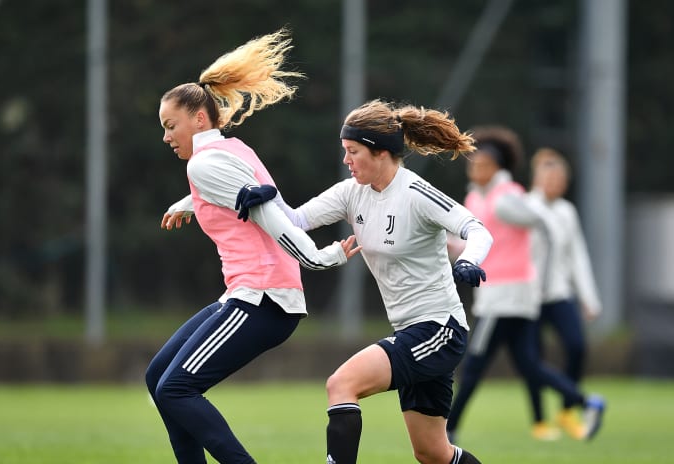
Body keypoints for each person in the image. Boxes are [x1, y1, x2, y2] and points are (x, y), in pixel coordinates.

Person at [145, 28, 362, 464]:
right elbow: (249, 196)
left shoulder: (206, 164)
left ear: (199, 120)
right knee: (158, 380)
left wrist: (321, 257)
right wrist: (189, 202)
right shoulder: (232, 150)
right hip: (252, 295)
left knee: (175, 388)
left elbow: (268, 213)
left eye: (172, 126)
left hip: (263, 299)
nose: (167, 137)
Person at [238, 99, 491, 464]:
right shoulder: (350, 193)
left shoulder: (415, 193)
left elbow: (476, 229)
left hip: (440, 328)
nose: (347, 161)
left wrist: (469, 261)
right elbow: (295, 220)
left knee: (342, 384)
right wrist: (266, 197)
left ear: (381, 151)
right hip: (411, 329)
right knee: (433, 453)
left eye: (353, 151)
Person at [444, 126, 605, 444]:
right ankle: (587, 402)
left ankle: (448, 429)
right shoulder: (478, 198)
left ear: (498, 168)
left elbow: (543, 225)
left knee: (474, 365)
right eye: (472, 164)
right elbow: (474, 245)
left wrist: (541, 282)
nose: (474, 168)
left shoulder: (506, 200)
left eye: (481, 164)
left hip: (505, 297)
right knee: (530, 366)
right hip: (502, 296)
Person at [525, 147, 603, 439]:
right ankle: (539, 421)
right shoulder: (524, 206)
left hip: (559, 293)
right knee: (532, 358)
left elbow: (577, 257)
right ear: (537, 179)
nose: (555, 184)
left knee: (577, 345)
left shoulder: (567, 212)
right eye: (549, 178)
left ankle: (567, 409)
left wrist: (589, 298)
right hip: (528, 297)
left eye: (560, 180)